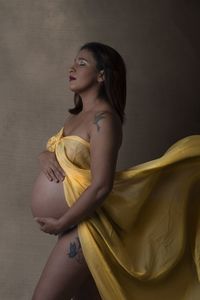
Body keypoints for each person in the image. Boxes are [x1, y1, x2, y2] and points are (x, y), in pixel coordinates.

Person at [32, 42, 200, 300]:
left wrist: (62, 222)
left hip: (85, 228)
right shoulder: (75, 118)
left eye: (82, 63)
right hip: (74, 225)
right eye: (74, 62)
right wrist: (44, 156)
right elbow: (63, 157)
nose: (72, 67)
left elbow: (101, 185)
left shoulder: (105, 120)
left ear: (102, 75)